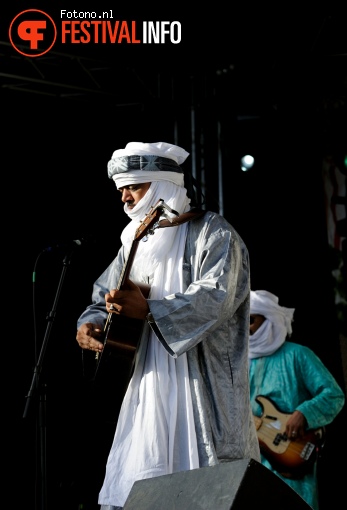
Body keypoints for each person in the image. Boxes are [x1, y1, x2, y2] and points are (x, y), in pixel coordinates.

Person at [75, 141, 259, 509]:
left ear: (161, 185)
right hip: (148, 385)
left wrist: (150, 309)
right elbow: (105, 293)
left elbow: (217, 297)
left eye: (133, 187)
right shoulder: (135, 242)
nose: (125, 197)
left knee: (208, 490)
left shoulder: (213, 233)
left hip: (199, 384)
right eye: (122, 189)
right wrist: (92, 323)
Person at [248, 290, 345, 509]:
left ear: (269, 320)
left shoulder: (298, 355)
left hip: (291, 461)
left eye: (251, 320)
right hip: (253, 463)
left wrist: (304, 413)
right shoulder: (237, 365)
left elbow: (334, 395)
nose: (246, 328)